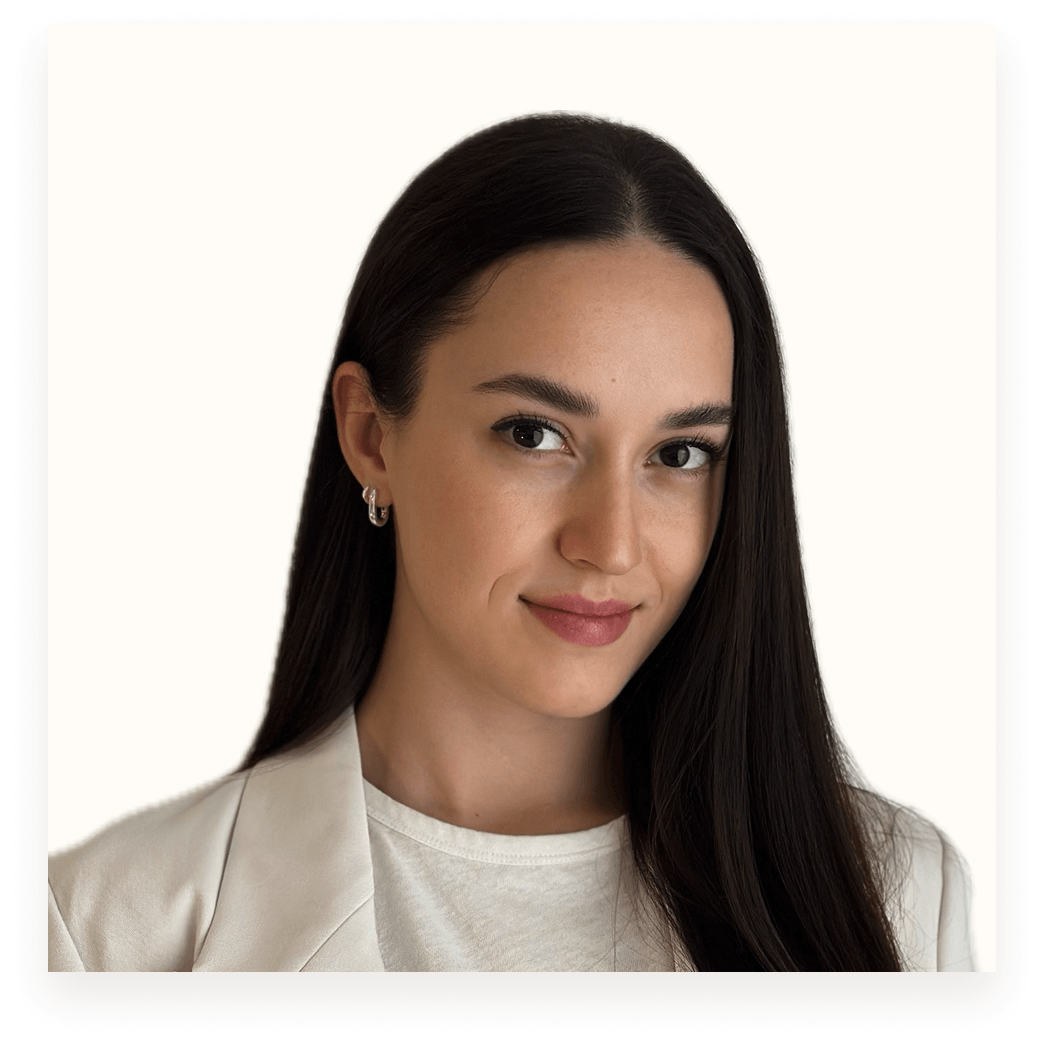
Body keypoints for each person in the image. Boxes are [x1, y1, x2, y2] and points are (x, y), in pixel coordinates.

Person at [47, 113, 975, 973]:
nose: (610, 545)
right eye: (535, 434)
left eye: (680, 453)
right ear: (372, 434)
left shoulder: (898, 900)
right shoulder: (105, 931)